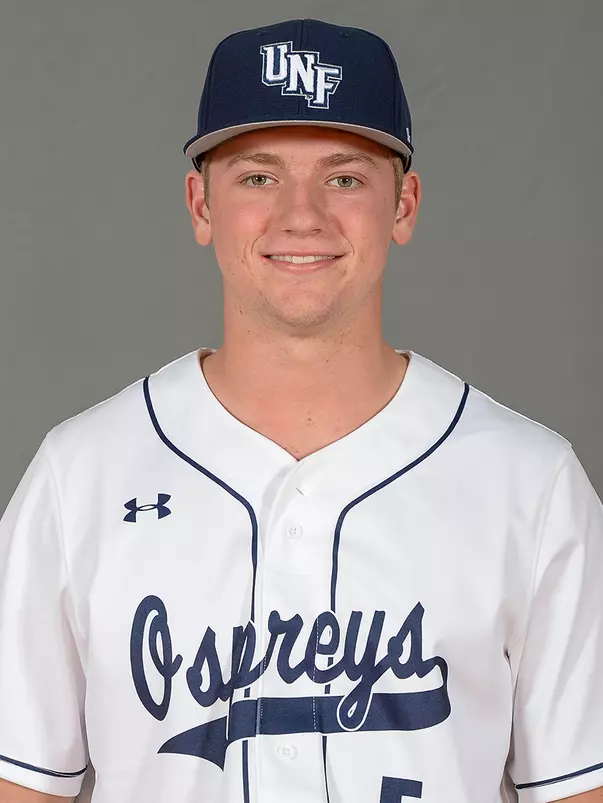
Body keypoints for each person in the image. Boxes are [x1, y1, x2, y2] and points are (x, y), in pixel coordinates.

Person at [0, 17, 602, 803]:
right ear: (200, 204)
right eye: (257, 176)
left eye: (345, 177)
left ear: (404, 204)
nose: (302, 214)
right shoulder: (77, 477)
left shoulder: (532, 485)